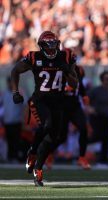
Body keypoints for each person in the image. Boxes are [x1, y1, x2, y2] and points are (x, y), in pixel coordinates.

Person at [10, 31, 78, 186]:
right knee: (46, 124)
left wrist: (67, 71)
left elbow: (75, 85)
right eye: (48, 47)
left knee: (54, 137)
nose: (52, 50)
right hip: (40, 100)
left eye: (54, 46)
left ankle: (38, 168)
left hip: (58, 101)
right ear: (42, 47)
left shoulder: (66, 57)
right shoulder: (35, 57)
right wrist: (15, 92)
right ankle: (33, 152)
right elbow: (15, 70)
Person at [61, 65, 90, 169]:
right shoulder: (59, 69)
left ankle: (82, 157)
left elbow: (80, 85)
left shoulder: (79, 69)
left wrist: (84, 96)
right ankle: (48, 155)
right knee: (61, 136)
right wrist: (64, 89)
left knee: (83, 128)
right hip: (62, 106)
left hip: (75, 106)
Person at [88, 70, 108, 164]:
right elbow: (86, 100)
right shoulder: (96, 90)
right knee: (96, 136)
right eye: (106, 79)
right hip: (96, 116)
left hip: (106, 117)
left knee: (106, 138)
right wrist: (89, 108)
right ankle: (81, 150)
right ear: (102, 79)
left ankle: (103, 160)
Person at [2, 77, 24, 162]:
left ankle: (16, 157)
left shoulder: (19, 92)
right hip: (7, 121)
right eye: (9, 82)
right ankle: (10, 157)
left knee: (16, 140)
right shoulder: (4, 93)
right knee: (9, 140)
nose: (10, 84)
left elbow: (24, 105)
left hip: (16, 121)